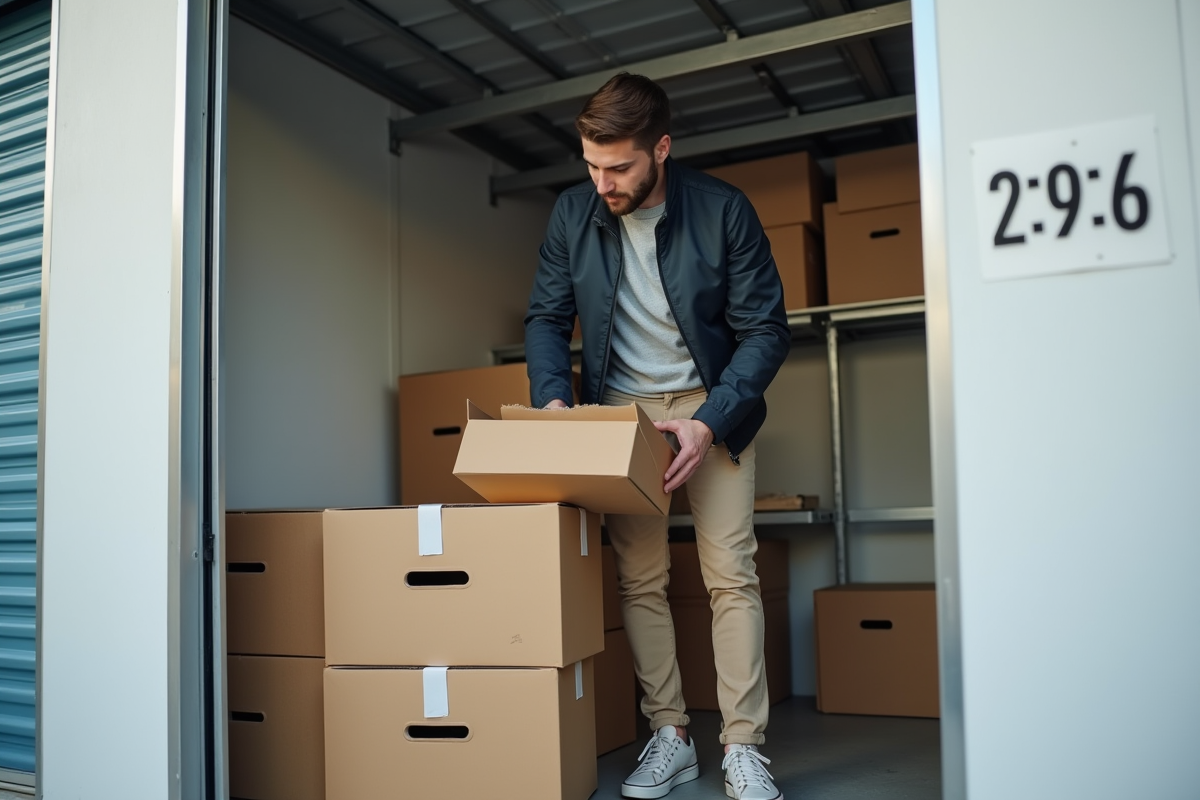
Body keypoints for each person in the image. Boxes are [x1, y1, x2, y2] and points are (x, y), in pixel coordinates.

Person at [524, 73, 791, 800]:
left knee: (730, 575)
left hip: (712, 405)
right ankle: (669, 735)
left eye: (619, 167)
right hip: (622, 414)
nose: (601, 183)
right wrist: (553, 403)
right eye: (590, 165)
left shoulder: (722, 210)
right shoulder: (571, 214)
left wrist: (711, 422)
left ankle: (743, 745)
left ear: (661, 149)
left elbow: (766, 331)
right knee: (640, 579)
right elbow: (547, 318)